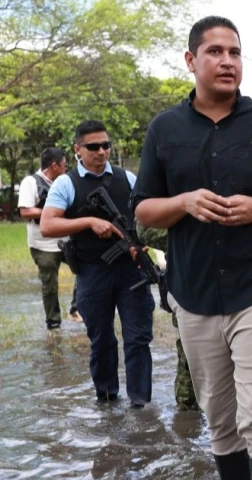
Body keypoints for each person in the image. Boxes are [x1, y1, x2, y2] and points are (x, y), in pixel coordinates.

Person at [132, 16, 252, 480]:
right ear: (192, 60)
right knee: (220, 417)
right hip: (193, 292)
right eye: (215, 52)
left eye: (234, 53)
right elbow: (144, 211)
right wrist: (184, 202)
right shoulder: (165, 129)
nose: (227, 61)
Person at [39, 121, 154, 409]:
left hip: (130, 269)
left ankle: (140, 404)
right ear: (77, 149)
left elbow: (144, 215)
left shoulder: (126, 178)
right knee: (102, 340)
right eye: (93, 146)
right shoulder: (67, 183)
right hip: (92, 272)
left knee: (138, 337)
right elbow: (48, 224)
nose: (101, 151)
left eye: (106, 145)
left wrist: (139, 242)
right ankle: (107, 401)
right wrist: (89, 222)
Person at [135, 223, 199, 411]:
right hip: (189, 285)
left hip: (240, 285)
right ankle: (187, 413)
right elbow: (144, 227)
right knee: (189, 352)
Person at [17, 148, 81, 330]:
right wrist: (53, 212)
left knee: (85, 268)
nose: (66, 169)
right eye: (64, 165)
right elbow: (25, 211)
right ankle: (53, 322)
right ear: (54, 166)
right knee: (50, 284)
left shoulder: (65, 182)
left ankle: (77, 308)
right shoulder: (31, 182)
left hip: (67, 240)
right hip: (42, 244)